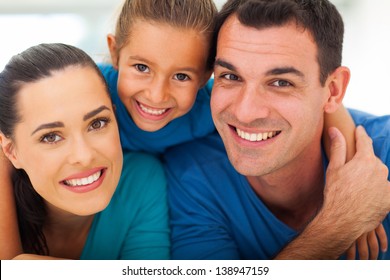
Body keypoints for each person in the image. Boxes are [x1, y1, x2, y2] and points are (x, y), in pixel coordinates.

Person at [0, 0, 373, 259]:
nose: (157, 95)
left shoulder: (214, 108)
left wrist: (355, 174)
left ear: (207, 76)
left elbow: (324, 104)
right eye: (141, 68)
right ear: (114, 54)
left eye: (181, 76)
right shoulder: (90, 88)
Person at [164, 0, 390, 260]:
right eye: (230, 76)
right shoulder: (191, 176)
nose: (245, 112)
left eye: (281, 82)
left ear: (333, 90)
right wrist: (335, 227)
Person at [0, 43, 170, 259]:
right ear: (10, 151)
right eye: (51, 136)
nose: (84, 156)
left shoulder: (140, 180)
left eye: (97, 123)